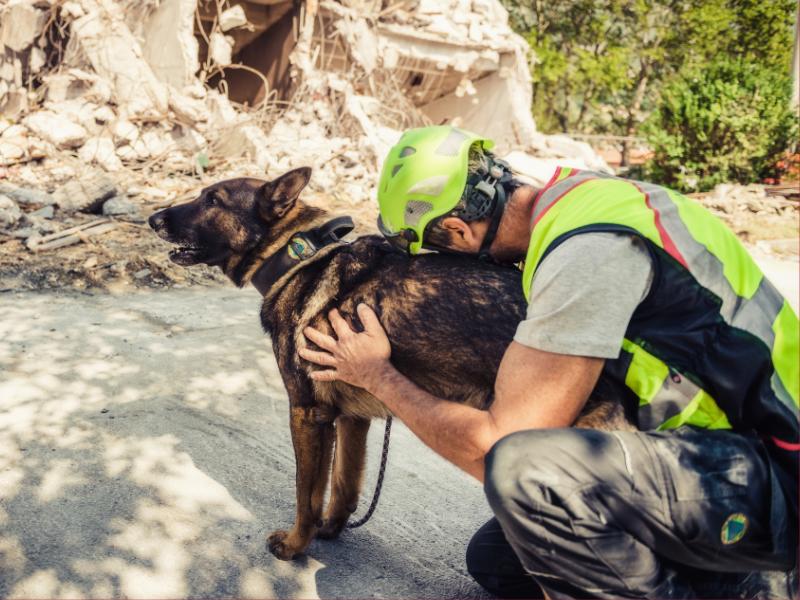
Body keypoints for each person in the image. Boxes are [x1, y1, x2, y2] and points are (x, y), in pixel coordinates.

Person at [298, 126, 799, 599]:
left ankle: (760, 573)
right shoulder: (585, 200)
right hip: (736, 449)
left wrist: (377, 376)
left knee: (529, 475)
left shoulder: (586, 252)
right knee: (497, 556)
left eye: (433, 250)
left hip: (772, 475)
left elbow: (500, 444)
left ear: (458, 229)